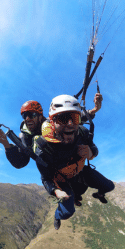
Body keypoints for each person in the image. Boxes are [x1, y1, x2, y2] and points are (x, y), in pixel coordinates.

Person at [33, 94, 114, 230]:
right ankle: (57, 215)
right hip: (62, 180)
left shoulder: (82, 133)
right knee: (67, 212)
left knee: (109, 186)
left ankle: (99, 194)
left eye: (74, 118)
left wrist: (91, 153)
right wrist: (56, 192)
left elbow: (94, 149)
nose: (70, 124)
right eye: (63, 119)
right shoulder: (43, 147)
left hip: (81, 172)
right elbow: (46, 179)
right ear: (52, 121)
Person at [0, 94, 103, 169]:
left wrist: (94, 110)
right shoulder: (25, 137)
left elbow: (71, 118)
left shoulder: (51, 123)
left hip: (71, 160)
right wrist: (6, 144)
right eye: (24, 115)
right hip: (53, 169)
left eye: (31, 115)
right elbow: (20, 162)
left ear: (40, 116)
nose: (27, 118)